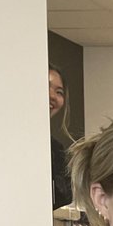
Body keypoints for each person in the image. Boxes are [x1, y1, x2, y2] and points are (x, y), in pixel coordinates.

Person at [49, 64, 73, 209]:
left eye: (59, 92)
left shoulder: (56, 149)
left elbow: (64, 198)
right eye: (46, 86)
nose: (52, 96)